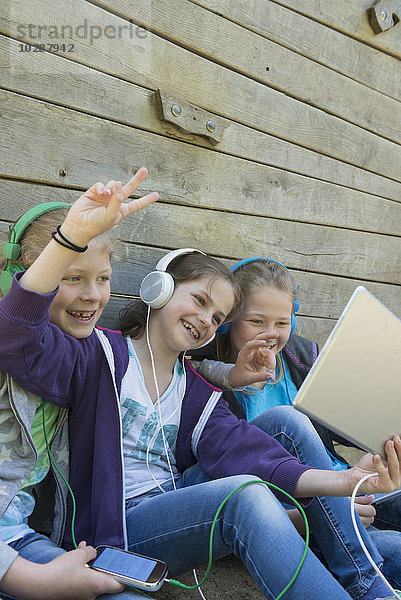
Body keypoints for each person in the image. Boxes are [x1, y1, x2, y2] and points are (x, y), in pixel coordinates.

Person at [0, 187, 400, 600]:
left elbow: (248, 451)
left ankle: (370, 586)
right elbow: (18, 334)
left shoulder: (197, 393)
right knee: (246, 496)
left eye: (218, 316)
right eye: (199, 300)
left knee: (285, 426)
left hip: (179, 507)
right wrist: (70, 237)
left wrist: (347, 479)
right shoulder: (96, 354)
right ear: (159, 289)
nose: (206, 320)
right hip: (116, 523)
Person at [194, 256, 401, 591]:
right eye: (257, 321)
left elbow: (347, 422)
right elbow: (237, 487)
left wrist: (381, 449)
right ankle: (367, 585)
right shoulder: (209, 380)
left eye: (282, 322)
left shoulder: (303, 356)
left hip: (352, 492)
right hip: (300, 513)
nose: (271, 335)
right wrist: (320, 516)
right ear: (229, 320)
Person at [0, 168, 158, 600]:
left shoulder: (83, 358)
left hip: (18, 534)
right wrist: (33, 581)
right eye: (72, 277)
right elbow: (20, 324)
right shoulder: (9, 337)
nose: (93, 294)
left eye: (102, 278)